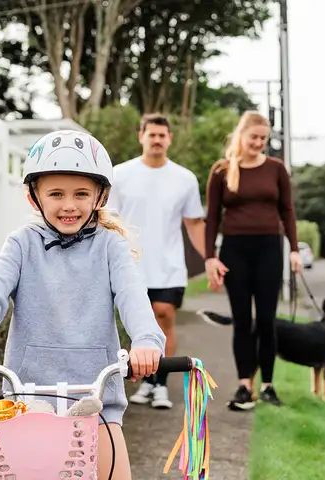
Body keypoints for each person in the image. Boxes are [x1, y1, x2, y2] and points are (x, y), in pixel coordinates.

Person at [0, 130, 166, 480]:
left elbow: (133, 297)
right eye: (56, 194)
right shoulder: (22, 244)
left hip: (97, 402)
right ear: (35, 198)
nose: (69, 205)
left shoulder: (110, 247)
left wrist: (145, 341)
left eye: (81, 194)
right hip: (27, 401)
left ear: (100, 195)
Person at [204, 111, 302, 411]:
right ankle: (245, 384)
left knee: (267, 320)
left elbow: (287, 211)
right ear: (241, 136)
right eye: (254, 137)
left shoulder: (276, 169)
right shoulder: (221, 170)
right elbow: (211, 218)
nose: (259, 143)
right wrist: (210, 257)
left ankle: (269, 385)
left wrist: (295, 249)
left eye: (263, 138)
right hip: (235, 251)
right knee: (243, 321)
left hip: (269, 249)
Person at [108, 113, 205, 409]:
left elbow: (195, 223)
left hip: (168, 266)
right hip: (129, 265)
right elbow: (108, 219)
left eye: (163, 135)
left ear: (169, 139)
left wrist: (211, 259)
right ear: (141, 136)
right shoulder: (120, 174)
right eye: (152, 134)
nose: (157, 140)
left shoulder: (184, 178)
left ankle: (160, 383)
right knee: (135, 325)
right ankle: (143, 382)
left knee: (163, 315)